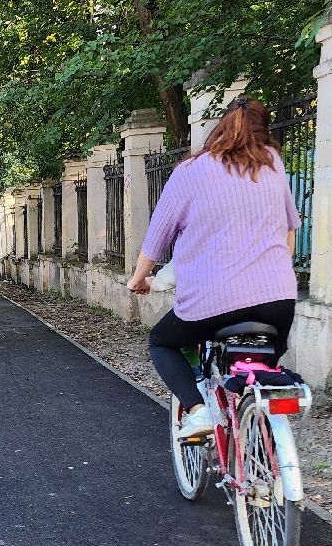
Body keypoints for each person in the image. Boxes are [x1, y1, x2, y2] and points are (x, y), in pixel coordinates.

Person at [127, 99, 300, 441]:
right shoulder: (272, 164)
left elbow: (156, 241)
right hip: (278, 299)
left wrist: (138, 279)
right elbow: (289, 230)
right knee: (260, 367)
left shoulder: (189, 173)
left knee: (161, 342)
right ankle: (256, 437)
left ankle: (197, 411)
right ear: (264, 133)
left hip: (211, 304)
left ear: (218, 130)